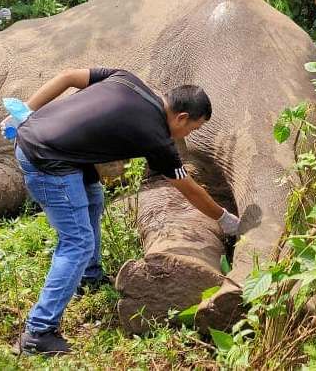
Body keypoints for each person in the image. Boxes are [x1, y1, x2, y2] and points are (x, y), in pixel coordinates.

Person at [13, 68, 240, 355]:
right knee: (76, 243)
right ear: (181, 117)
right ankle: (38, 332)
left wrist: (26, 110)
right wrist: (224, 218)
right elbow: (188, 188)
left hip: (40, 136)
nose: (188, 135)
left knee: (94, 198)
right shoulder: (156, 137)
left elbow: (69, 76)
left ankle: (89, 277)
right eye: (192, 129)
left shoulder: (126, 78)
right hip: (46, 159)